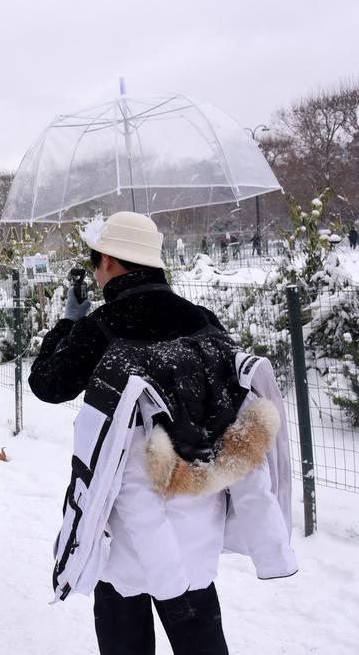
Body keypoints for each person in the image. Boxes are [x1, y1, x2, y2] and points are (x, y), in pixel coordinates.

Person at [29, 212, 297, 654]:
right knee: (200, 637)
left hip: (124, 525)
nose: (95, 275)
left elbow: (46, 384)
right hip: (198, 517)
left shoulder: (101, 327)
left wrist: (69, 324)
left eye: (95, 264)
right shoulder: (204, 321)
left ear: (110, 262)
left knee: (123, 632)